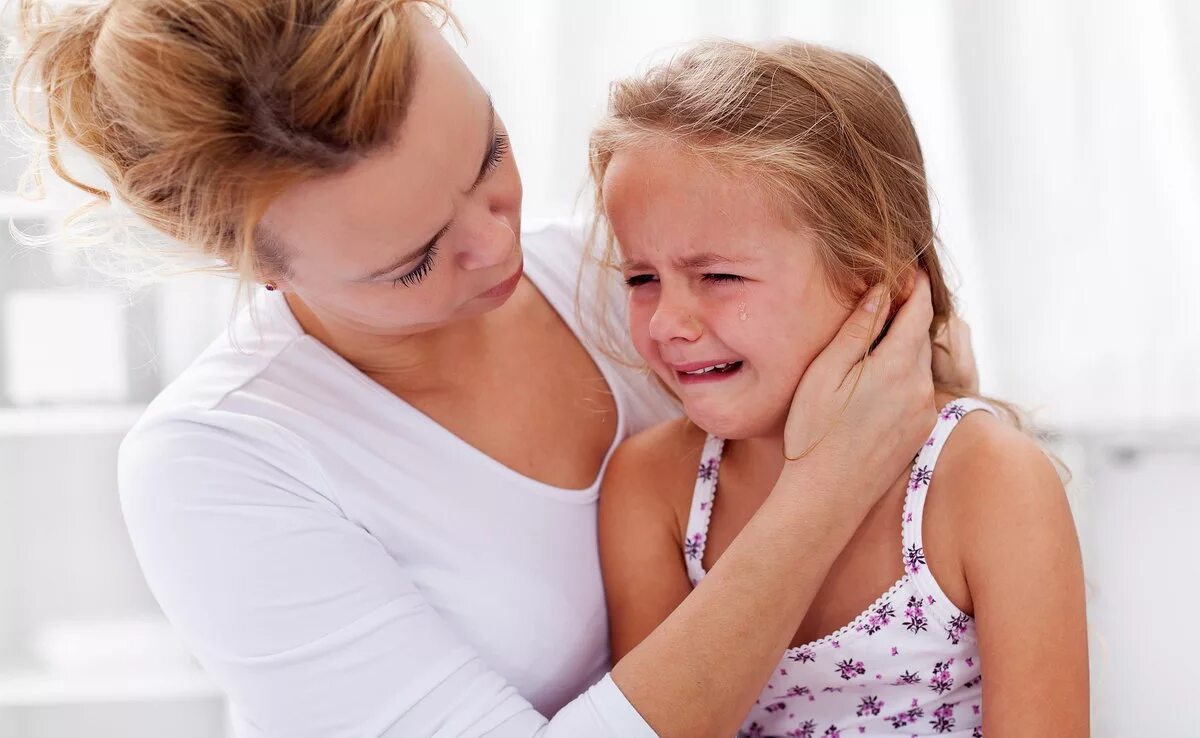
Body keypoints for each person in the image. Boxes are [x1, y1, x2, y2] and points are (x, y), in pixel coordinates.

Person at [14, 3, 970, 736]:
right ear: (256, 265)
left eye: (489, 153)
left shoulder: (632, 283)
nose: (495, 241)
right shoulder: (220, 467)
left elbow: (918, 432)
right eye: (415, 258)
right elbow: (856, 453)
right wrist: (829, 485)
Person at [592, 40, 1089, 737]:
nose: (669, 322)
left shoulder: (987, 480)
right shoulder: (654, 487)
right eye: (642, 278)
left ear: (869, 280)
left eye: (719, 277)